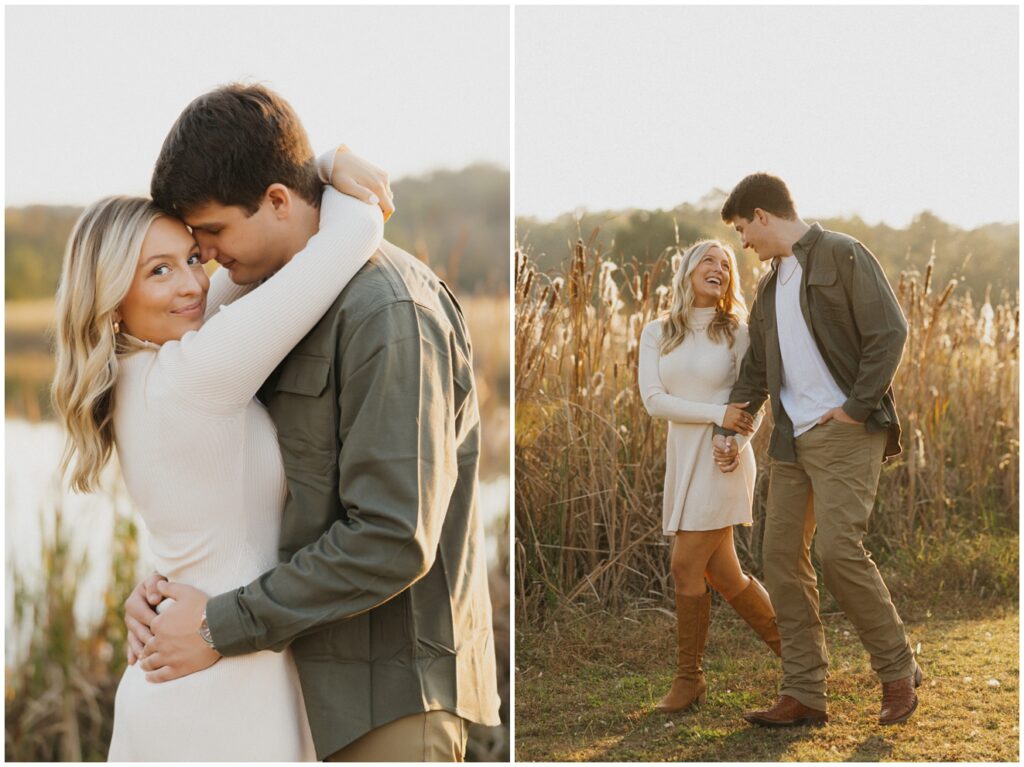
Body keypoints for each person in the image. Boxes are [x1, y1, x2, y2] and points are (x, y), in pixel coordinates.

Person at [122, 84, 501, 762]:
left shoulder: (388, 311)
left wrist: (214, 623)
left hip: (386, 701)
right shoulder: (267, 299)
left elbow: (392, 535)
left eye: (210, 232)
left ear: (274, 201)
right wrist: (163, 599)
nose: (202, 257)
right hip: (290, 690)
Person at [53, 140, 389, 760]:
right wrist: (324, 167)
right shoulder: (195, 374)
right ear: (110, 301)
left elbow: (238, 285)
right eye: (158, 270)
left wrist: (301, 171)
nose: (192, 285)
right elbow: (354, 234)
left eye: (190, 257)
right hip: (223, 688)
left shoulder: (139, 375)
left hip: (191, 674)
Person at [713, 172, 922, 727]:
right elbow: (758, 367)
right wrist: (733, 427)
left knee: (837, 550)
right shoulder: (768, 285)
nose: (743, 244)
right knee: (779, 558)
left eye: (741, 229)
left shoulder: (842, 254)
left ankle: (898, 671)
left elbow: (889, 333)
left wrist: (855, 407)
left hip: (845, 430)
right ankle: (804, 693)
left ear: (762, 215)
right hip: (791, 439)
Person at [637, 239, 780, 715]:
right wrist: (718, 412)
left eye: (726, 262)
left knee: (684, 566)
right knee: (724, 574)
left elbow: (754, 398)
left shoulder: (737, 330)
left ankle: (688, 679)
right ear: (688, 269)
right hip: (685, 458)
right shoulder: (659, 332)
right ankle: (802, 660)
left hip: (723, 461)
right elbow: (654, 401)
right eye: (708, 259)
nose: (718, 267)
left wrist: (735, 441)